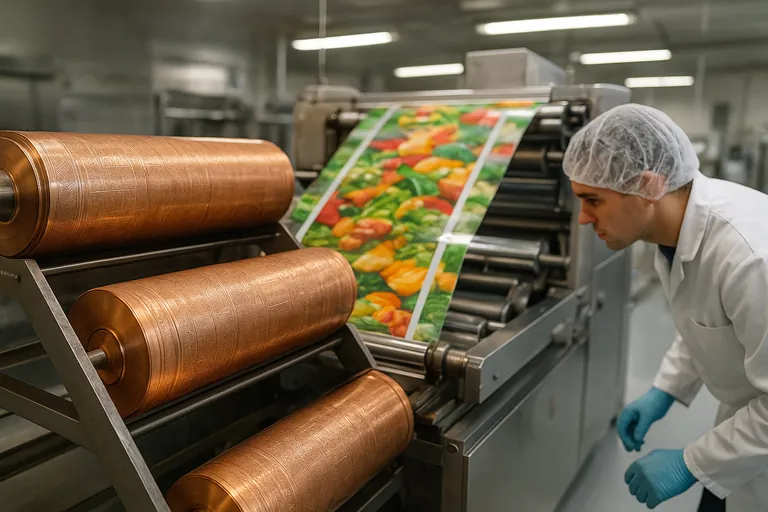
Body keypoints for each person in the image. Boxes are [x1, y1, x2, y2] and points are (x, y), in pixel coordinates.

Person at [562, 103, 768, 511]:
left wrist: (690, 464)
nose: (583, 218)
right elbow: (706, 322)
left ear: (649, 185)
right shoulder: (677, 235)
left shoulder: (750, 257)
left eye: (593, 200)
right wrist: (665, 390)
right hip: (745, 430)